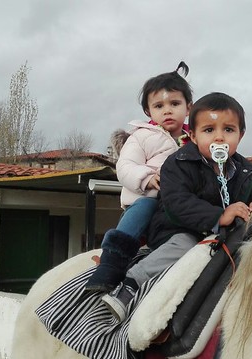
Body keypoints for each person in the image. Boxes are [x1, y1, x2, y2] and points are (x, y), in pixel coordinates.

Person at [102, 92, 252, 322]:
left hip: (221, 236)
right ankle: (131, 284)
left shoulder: (244, 171)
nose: (219, 138)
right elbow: (178, 203)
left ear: (241, 134)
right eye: (208, 130)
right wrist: (219, 215)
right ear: (193, 136)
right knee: (187, 245)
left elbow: (249, 197)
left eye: (228, 130)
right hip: (176, 229)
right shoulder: (178, 164)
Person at [84, 62, 193, 292]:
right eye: (159, 105)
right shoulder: (142, 137)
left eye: (175, 103)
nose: (167, 110)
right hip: (147, 198)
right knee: (143, 206)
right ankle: (111, 262)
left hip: (178, 205)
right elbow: (125, 166)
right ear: (148, 111)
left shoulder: (194, 141)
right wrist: (146, 179)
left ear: (189, 107)